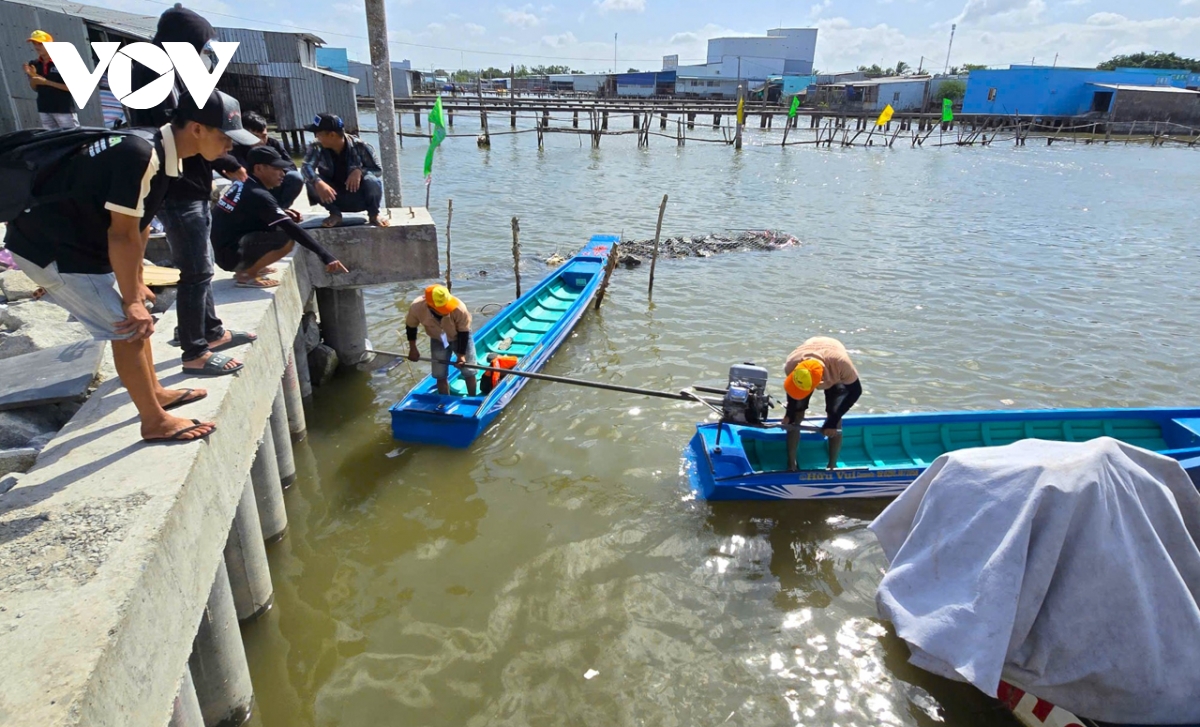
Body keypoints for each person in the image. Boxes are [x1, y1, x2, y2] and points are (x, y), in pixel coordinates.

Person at [1, 93, 254, 441]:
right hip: (53, 250)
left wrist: (135, 285)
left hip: (85, 244)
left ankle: (157, 394)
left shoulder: (163, 153)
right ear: (197, 128)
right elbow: (121, 235)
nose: (229, 146)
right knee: (127, 327)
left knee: (141, 320)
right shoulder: (141, 154)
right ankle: (154, 421)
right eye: (225, 136)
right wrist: (131, 300)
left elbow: (140, 224)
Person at [125, 5, 256, 378]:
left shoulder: (173, 72)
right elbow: (184, 133)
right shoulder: (154, 73)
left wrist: (222, 162)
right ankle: (194, 351)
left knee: (202, 264)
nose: (205, 52)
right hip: (178, 187)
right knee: (195, 270)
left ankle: (211, 331)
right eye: (201, 44)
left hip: (193, 182)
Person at [211, 145, 348, 288]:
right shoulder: (258, 194)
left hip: (224, 249)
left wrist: (280, 213)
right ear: (259, 169)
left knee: (277, 223)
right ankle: (246, 275)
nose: (282, 174)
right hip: (229, 255)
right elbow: (292, 229)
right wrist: (326, 256)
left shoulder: (245, 183)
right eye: (276, 169)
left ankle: (252, 266)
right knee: (286, 238)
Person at [781, 336, 863, 472]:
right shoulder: (792, 364)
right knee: (795, 416)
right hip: (811, 349)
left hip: (834, 369)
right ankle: (791, 465)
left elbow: (855, 392)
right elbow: (792, 392)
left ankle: (832, 466)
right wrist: (789, 414)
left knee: (834, 415)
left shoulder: (842, 365)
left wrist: (832, 421)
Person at [302, 113, 389, 228]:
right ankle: (335, 214)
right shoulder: (316, 146)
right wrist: (318, 182)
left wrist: (359, 171)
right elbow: (306, 167)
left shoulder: (360, 146)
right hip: (333, 196)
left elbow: (378, 170)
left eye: (318, 133)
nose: (316, 136)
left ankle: (374, 214)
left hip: (358, 197)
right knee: (311, 181)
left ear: (332, 135)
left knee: (372, 180)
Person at [405, 285, 477, 396]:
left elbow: (464, 332)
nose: (446, 311)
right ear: (430, 306)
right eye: (441, 309)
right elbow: (411, 327)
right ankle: (444, 400)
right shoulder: (417, 307)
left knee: (469, 370)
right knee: (439, 374)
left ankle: (473, 397)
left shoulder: (459, 308)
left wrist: (461, 355)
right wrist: (413, 348)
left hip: (459, 336)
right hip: (438, 338)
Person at [232, 112, 303, 208]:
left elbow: (291, 166)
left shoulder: (273, 143)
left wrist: (274, 172)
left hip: (273, 184)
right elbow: (241, 173)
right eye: (256, 136)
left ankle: (281, 209)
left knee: (295, 177)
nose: (261, 141)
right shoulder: (236, 148)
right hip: (252, 188)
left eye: (264, 136)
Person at [24, 30, 78, 130]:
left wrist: (46, 82)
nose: (37, 47)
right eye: (34, 44)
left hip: (63, 109)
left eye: (40, 44)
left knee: (71, 139)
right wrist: (33, 77)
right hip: (44, 108)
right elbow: (35, 88)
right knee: (51, 140)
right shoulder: (34, 64)